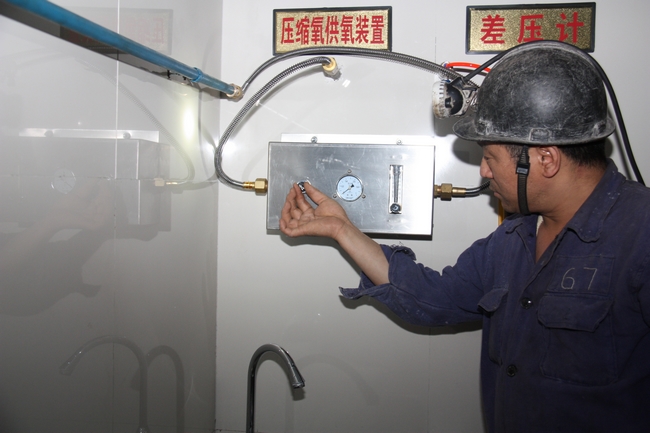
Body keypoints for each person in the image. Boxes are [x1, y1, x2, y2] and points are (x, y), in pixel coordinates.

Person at [279, 41, 650, 432]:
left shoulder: (640, 236)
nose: (484, 173)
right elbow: (433, 298)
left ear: (546, 159)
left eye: (490, 158)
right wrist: (341, 229)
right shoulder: (513, 239)